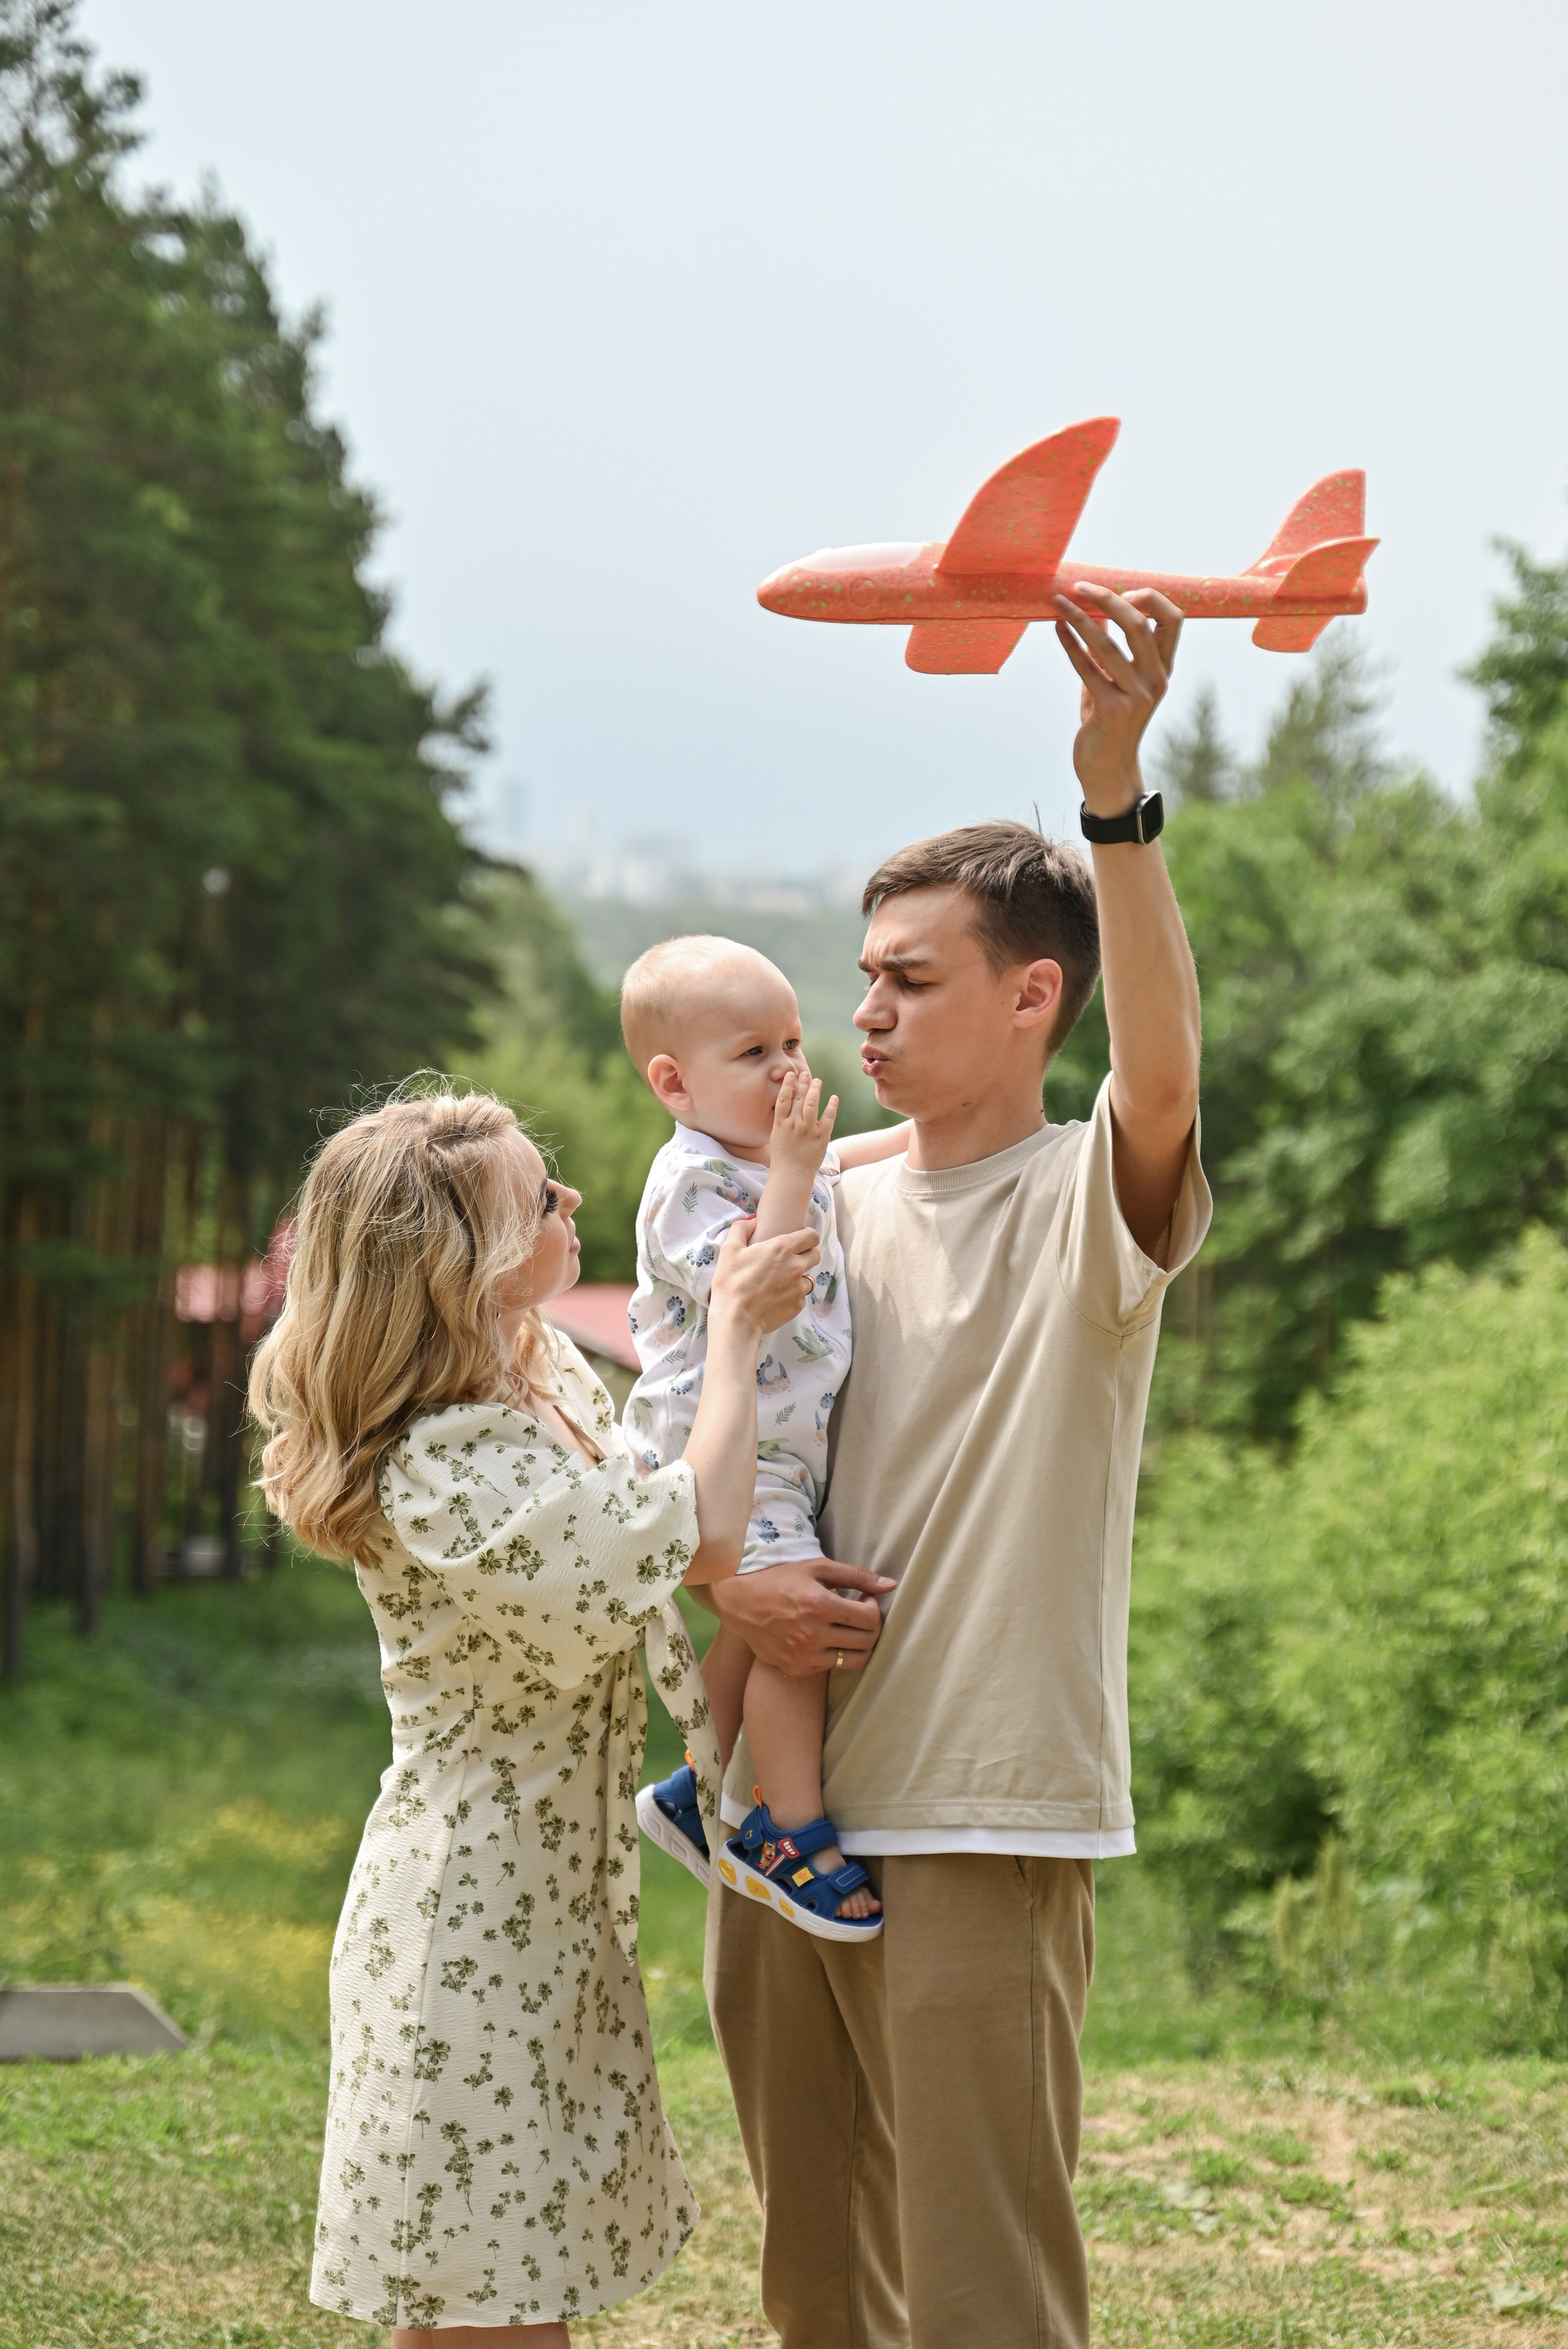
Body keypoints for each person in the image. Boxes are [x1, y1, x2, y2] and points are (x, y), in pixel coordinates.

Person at [702, 586, 1212, 2349]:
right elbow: (700, 1442)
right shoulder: (807, 1201)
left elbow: (1164, 1079)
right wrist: (719, 1576)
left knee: (986, 2298)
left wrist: (1113, 795)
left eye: (912, 981)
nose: (866, 1016)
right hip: (786, 1821)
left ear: (1032, 995)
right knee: (813, 2285)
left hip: (983, 1807)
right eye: (864, 978)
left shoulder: (1087, 1199)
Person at [247, 1084, 819, 2347]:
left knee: (517, 2288)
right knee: (480, 2307)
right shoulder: (446, 1460)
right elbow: (696, 1524)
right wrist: (732, 1338)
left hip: (544, 1904)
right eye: (535, 1195)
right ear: (462, 1262)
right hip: (469, 1927)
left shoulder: (531, 1362)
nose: (568, 1198)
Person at [618, 935, 906, 1936]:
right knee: (793, 1637)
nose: (788, 1069)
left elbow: (846, 1159)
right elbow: (765, 1290)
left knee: (762, 1617)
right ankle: (789, 1834)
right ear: (675, 1082)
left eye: (791, 1041)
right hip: (717, 1442)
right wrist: (792, 1167)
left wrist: (936, 1133)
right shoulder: (689, 1182)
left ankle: (692, 1789)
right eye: (754, 1054)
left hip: (780, 1449)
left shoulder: (761, 1157)